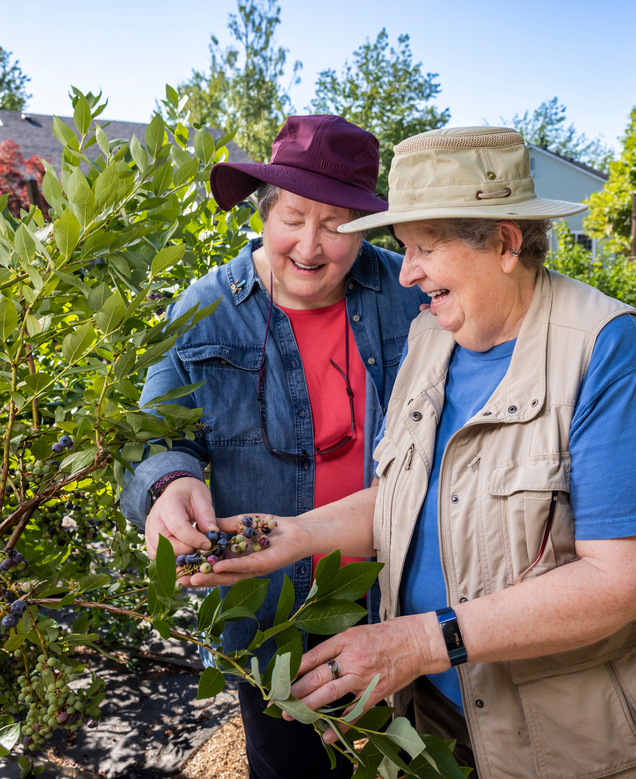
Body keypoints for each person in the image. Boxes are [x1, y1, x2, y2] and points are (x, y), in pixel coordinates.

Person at [190, 126, 636, 779]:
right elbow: (401, 494)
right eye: (403, 249)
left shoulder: (602, 353)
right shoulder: (431, 337)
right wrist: (296, 533)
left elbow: (630, 578)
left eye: (424, 248)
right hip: (441, 715)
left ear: (502, 242)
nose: (406, 273)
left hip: (571, 739)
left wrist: (419, 641)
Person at [120, 115, 428, 779]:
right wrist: (169, 483)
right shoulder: (203, 309)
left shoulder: (412, 297)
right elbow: (149, 434)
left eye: (337, 223)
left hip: (400, 595)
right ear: (263, 212)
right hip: (269, 612)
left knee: (404, 757)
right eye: (294, 217)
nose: (311, 246)